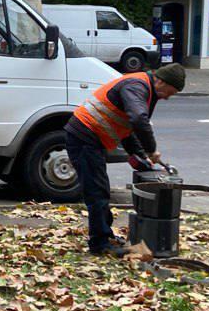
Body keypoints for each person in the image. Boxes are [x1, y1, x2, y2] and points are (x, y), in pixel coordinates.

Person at [63, 64, 187, 256]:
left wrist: (138, 154)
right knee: (96, 191)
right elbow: (138, 119)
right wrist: (151, 149)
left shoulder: (144, 88)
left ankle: (105, 234)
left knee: (100, 188)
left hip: (89, 138)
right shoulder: (137, 86)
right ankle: (100, 244)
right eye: (169, 92)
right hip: (84, 137)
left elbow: (126, 127)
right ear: (160, 81)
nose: (168, 97)